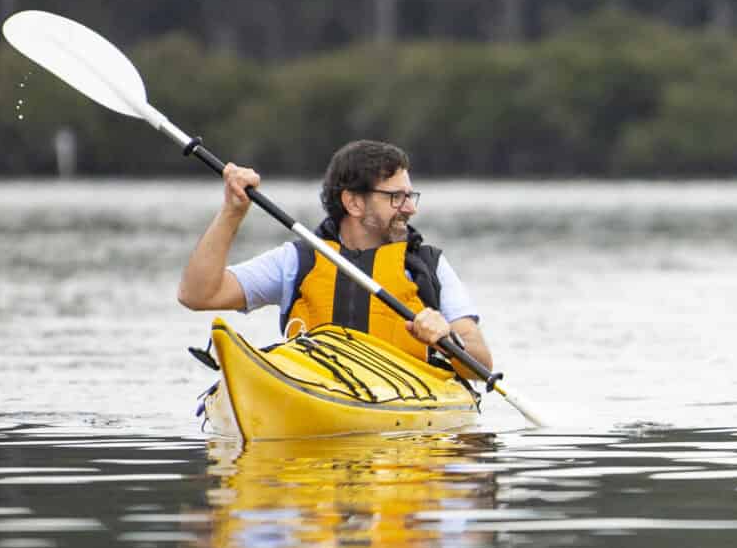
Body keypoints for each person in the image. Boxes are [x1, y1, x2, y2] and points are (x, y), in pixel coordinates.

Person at [176, 138, 497, 375]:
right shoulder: (297, 261)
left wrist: (447, 338)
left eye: (410, 196)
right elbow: (197, 295)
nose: (411, 208)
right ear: (354, 203)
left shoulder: (428, 266)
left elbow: (482, 364)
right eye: (396, 197)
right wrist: (232, 212)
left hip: (406, 403)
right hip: (312, 388)